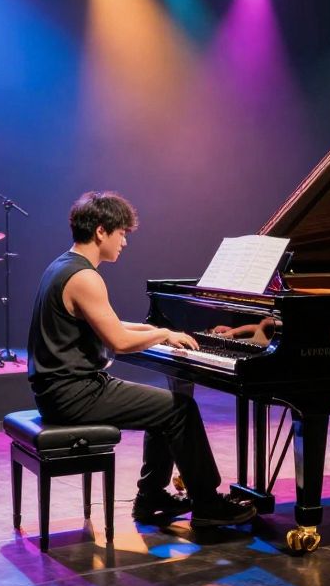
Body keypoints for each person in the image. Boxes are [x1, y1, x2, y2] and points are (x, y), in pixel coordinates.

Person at [26, 191, 257, 527]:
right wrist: (162, 334)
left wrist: (152, 328)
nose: (125, 242)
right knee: (181, 410)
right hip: (73, 394)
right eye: (122, 233)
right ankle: (207, 504)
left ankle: (151, 497)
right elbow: (118, 342)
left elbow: (110, 323)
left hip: (61, 390)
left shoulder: (63, 266)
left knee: (163, 408)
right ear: (101, 231)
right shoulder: (85, 278)